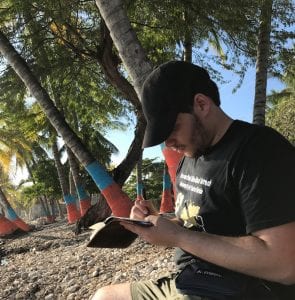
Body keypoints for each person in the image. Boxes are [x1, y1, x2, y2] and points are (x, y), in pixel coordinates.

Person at [92, 61, 295, 299]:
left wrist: (178, 237)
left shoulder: (259, 150)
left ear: (201, 104)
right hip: (191, 280)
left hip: (238, 290)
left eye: (172, 128)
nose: (168, 142)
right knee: (104, 296)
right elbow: (197, 222)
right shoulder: (189, 158)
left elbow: (284, 265)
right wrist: (156, 222)